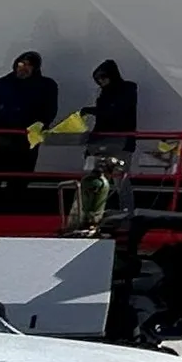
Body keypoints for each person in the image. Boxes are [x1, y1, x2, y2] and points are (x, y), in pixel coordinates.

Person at [0, 51, 60, 217]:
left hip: (26, 140)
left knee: (19, 180)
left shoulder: (46, 85)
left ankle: (11, 213)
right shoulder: (3, 84)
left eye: (28, 65)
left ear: (35, 68)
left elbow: (50, 108)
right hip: (0, 138)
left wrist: (41, 123)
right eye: (21, 64)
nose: (24, 68)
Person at [72, 60, 141, 234]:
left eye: (103, 78)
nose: (101, 82)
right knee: (93, 179)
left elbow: (116, 111)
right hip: (104, 140)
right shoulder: (108, 94)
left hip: (119, 141)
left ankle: (127, 217)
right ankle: (86, 217)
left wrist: (92, 111)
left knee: (120, 181)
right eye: (99, 80)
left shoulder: (127, 90)